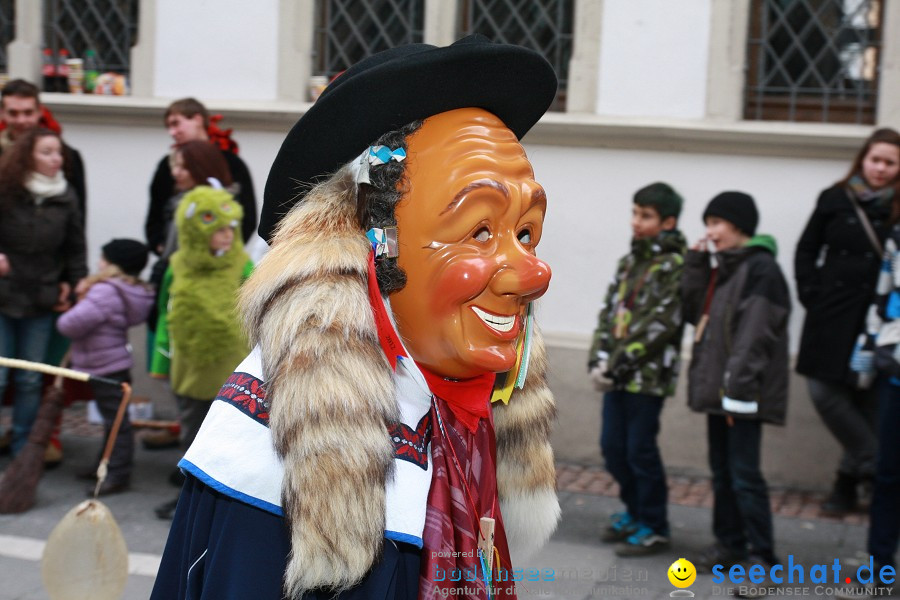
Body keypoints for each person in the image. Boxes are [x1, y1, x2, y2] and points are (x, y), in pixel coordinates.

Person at [151, 35, 560, 599]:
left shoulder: (458, 407)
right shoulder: (272, 460)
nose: (534, 273)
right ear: (367, 245)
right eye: (480, 231)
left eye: (525, 233)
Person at [682, 192, 790, 577]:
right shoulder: (723, 267)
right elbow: (694, 313)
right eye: (708, 223)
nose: (710, 232)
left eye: (716, 223)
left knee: (744, 476)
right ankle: (728, 544)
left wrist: (737, 393)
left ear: (739, 225)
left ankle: (763, 556)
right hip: (722, 392)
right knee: (723, 472)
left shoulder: (761, 269)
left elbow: (755, 338)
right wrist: (696, 263)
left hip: (740, 394)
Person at [794, 127, 900, 515]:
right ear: (863, 160)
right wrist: (811, 294)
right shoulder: (836, 198)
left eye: (890, 162)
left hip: (877, 318)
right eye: (875, 160)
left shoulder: (898, 206)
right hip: (831, 312)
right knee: (825, 393)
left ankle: (845, 487)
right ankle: (878, 466)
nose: (881, 169)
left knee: (866, 399)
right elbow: (807, 248)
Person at [587, 182, 686, 556]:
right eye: (635, 213)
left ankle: (654, 524)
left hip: (646, 378)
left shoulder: (674, 265)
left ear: (669, 222)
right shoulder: (630, 262)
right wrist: (598, 358)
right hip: (615, 375)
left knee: (639, 451)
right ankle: (633, 511)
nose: (636, 222)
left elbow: (660, 325)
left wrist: (617, 365)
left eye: (646, 216)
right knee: (613, 448)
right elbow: (609, 313)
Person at [149, 184, 253, 519]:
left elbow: (256, 308)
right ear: (196, 232)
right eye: (217, 229)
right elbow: (167, 313)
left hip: (230, 365)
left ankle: (224, 504)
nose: (226, 236)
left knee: (228, 434)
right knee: (191, 430)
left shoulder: (242, 264)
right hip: (190, 364)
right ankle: (188, 499)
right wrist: (159, 360)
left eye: (230, 228)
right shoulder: (178, 265)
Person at [0, 127, 87, 455]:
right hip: (3, 295)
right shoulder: (6, 190)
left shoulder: (65, 195)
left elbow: (75, 247)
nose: (57, 159)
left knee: (30, 379)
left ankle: (23, 448)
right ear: (27, 156)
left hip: (41, 297)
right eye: (47, 152)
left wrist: (77, 282)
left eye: (58, 153)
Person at [57, 239, 153, 496]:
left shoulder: (104, 291)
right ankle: (104, 465)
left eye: (103, 258)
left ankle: (117, 474)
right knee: (114, 421)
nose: (98, 262)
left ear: (113, 264)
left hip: (103, 364)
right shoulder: (126, 289)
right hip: (113, 362)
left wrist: (78, 298)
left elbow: (69, 325)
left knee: (116, 422)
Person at [144, 98, 256, 254]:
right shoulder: (166, 165)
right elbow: (156, 210)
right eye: (169, 127)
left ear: (197, 119)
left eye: (176, 123)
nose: (172, 132)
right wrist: (161, 246)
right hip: (175, 257)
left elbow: (246, 213)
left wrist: (226, 250)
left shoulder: (231, 162)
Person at [0, 79, 86, 220]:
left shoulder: (66, 156)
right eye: (13, 113)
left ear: (40, 112)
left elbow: (78, 214)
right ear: (2, 113)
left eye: (28, 113)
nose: (21, 121)